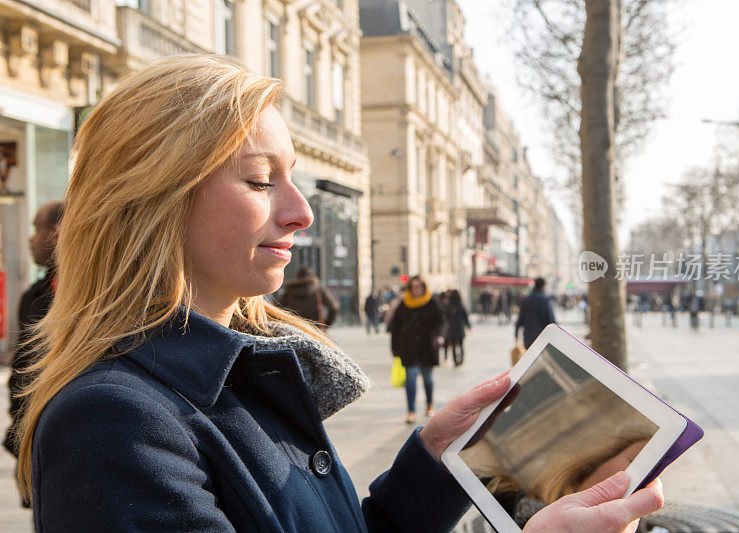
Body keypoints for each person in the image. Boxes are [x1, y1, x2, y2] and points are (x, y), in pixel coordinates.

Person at [15, 55, 662, 532]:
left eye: (292, 178)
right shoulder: (112, 423)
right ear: (155, 199)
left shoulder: (235, 379)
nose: (302, 213)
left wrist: (432, 463)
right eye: (261, 180)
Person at [3, 200, 63, 504]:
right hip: (34, 453)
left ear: (57, 233)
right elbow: (21, 373)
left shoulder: (94, 298)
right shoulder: (35, 296)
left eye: (35, 228)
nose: (30, 239)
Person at [387, 275, 446, 424]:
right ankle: (411, 411)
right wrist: (394, 347)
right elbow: (395, 327)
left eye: (419, 287)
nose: (416, 290)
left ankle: (429, 404)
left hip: (427, 346)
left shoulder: (431, 301)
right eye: (413, 287)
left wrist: (440, 335)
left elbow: (442, 321)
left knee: (427, 379)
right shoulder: (404, 302)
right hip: (409, 347)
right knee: (411, 378)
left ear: (424, 287)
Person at [278, 265, 338, 330]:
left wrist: (285, 323)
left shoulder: (290, 291)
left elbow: (277, 308)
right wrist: (326, 324)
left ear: (297, 277)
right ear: (312, 276)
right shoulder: (318, 289)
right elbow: (334, 307)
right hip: (316, 329)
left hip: (297, 327)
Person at [515, 277, 556, 349]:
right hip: (542, 337)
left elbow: (520, 319)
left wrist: (516, 334)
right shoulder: (545, 300)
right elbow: (550, 320)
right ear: (543, 286)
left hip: (528, 337)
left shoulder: (526, 299)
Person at [444, 289, 471, 367]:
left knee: (453, 346)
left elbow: (445, 317)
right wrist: (468, 325)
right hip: (459, 328)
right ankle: (461, 359)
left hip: (451, 329)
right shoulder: (460, 305)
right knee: (461, 345)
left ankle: (455, 360)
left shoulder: (449, 305)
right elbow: (465, 316)